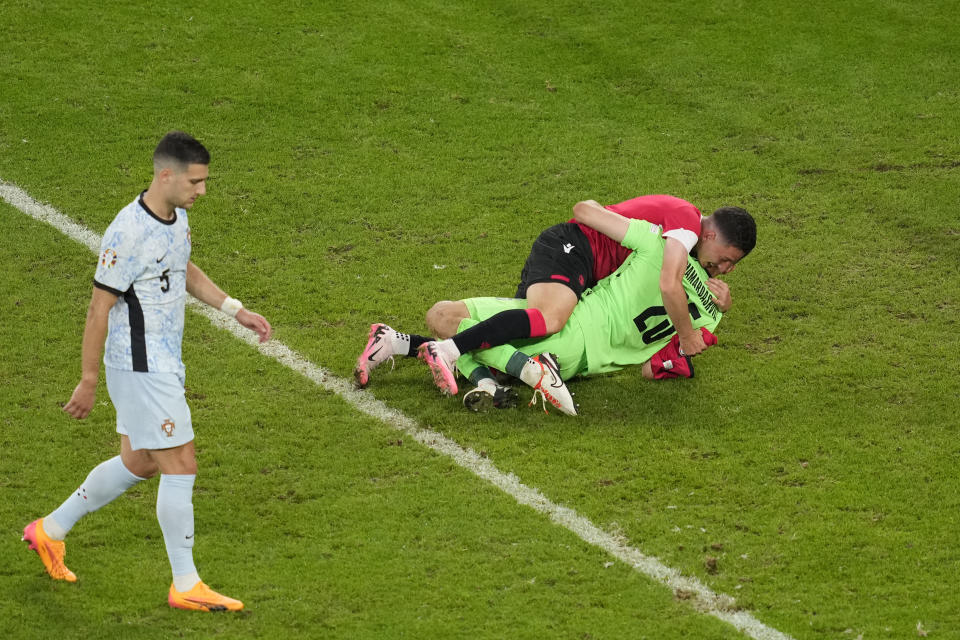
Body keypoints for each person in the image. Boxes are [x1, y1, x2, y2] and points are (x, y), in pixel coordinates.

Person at [22, 131, 272, 612]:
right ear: (166, 175)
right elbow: (99, 309)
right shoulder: (127, 232)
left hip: (163, 360)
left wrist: (233, 309)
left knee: (139, 462)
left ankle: (49, 531)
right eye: (196, 182)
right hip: (140, 365)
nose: (202, 191)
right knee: (181, 463)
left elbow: (182, 268)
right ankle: (186, 583)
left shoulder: (175, 217)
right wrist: (88, 379)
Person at [356, 203, 755, 415]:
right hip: (574, 259)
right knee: (545, 322)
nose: (726, 268)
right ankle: (474, 361)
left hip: (582, 299)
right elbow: (668, 291)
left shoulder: (660, 245)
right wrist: (690, 333)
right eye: (727, 257)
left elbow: (587, 209)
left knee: (442, 316)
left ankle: (397, 342)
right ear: (708, 234)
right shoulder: (679, 238)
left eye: (733, 266)